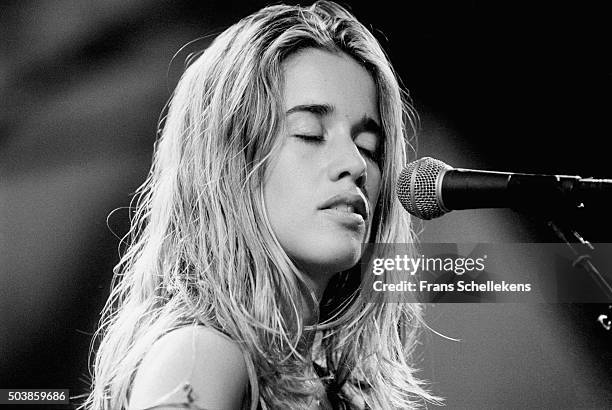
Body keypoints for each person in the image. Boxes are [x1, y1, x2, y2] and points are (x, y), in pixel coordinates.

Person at [84, 1, 440, 409]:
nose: (355, 163)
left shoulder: (331, 389)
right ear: (230, 163)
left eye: (368, 146)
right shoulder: (201, 357)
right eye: (309, 133)